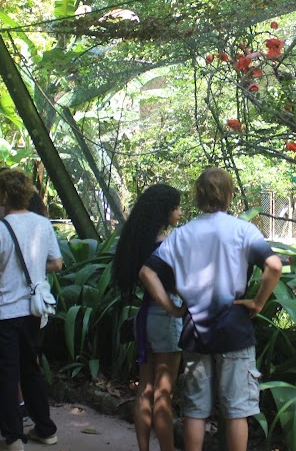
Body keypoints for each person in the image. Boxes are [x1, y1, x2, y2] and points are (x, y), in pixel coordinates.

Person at [139, 168, 283, 451]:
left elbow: (146, 272)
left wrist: (171, 307)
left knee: (195, 408)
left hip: (195, 330)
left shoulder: (182, 234)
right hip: (234, 329)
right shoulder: (243, 230)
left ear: (197, 196)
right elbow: (274, 265)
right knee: (237, 410)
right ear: (229, 196)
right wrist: (257, 302)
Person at [0, 169, 61, 451]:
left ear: (3, 196)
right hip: (34, 311)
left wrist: (3, 273)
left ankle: (13, 438)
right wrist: (36, 269)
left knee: (8, 372)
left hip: (5, 311)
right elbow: (56, 263)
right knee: (32, 370)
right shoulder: (43, 224)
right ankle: (46, 429)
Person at [112, 184, 183, 451]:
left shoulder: (140, 242)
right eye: (176, 207)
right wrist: (174, 308)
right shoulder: (167, 245)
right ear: (165, 211)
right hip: (166, 315)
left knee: (145, 389)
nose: (179, 212)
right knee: (164, 393)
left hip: (147, 317)